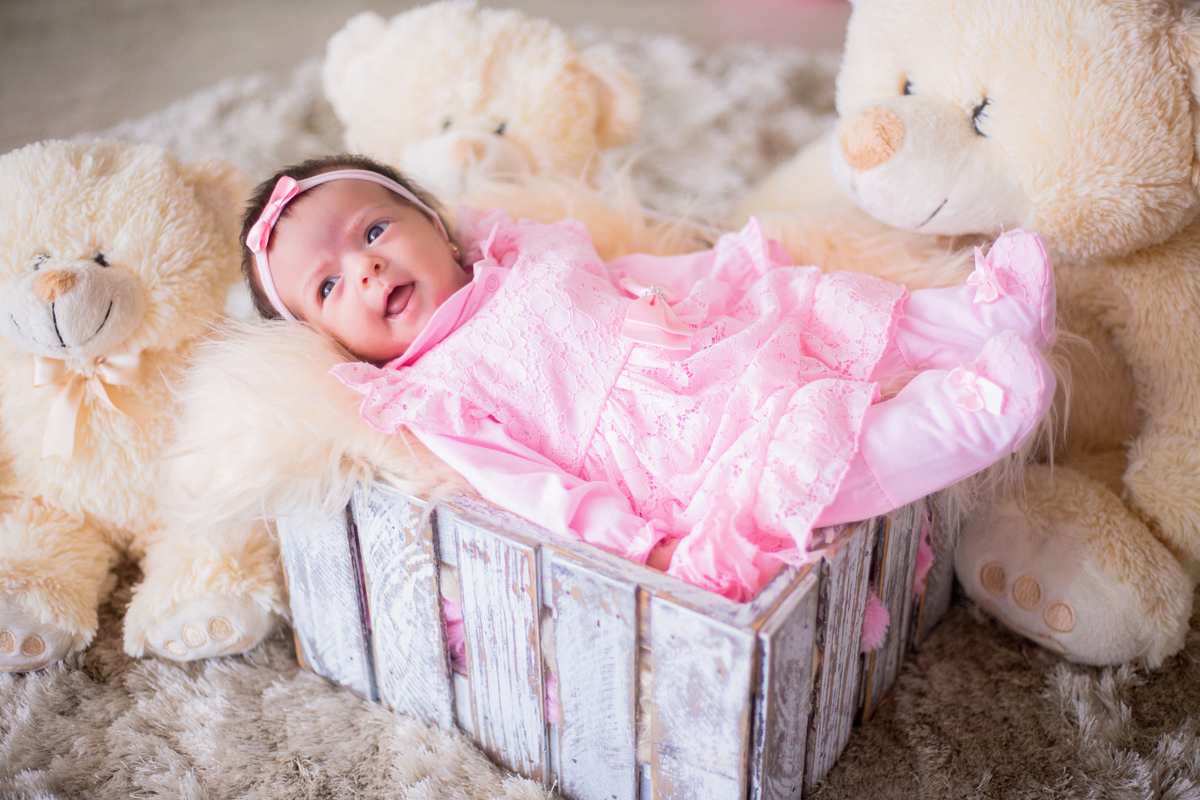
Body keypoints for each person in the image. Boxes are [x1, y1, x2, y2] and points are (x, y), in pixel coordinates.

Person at [240, 154, 1055, 601]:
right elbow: (530, 488)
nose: (367, 265)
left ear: (435, 225)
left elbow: (624, 269)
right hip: (671, 450)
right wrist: (639, 545)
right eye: (328, 285)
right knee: (802, 463)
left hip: (700, 340)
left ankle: (981, 316)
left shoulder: (523, 254)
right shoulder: (430, 390)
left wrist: (721, 276)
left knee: (819, 304)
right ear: (333, 341)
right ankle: (965, 415)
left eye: (375, 228)